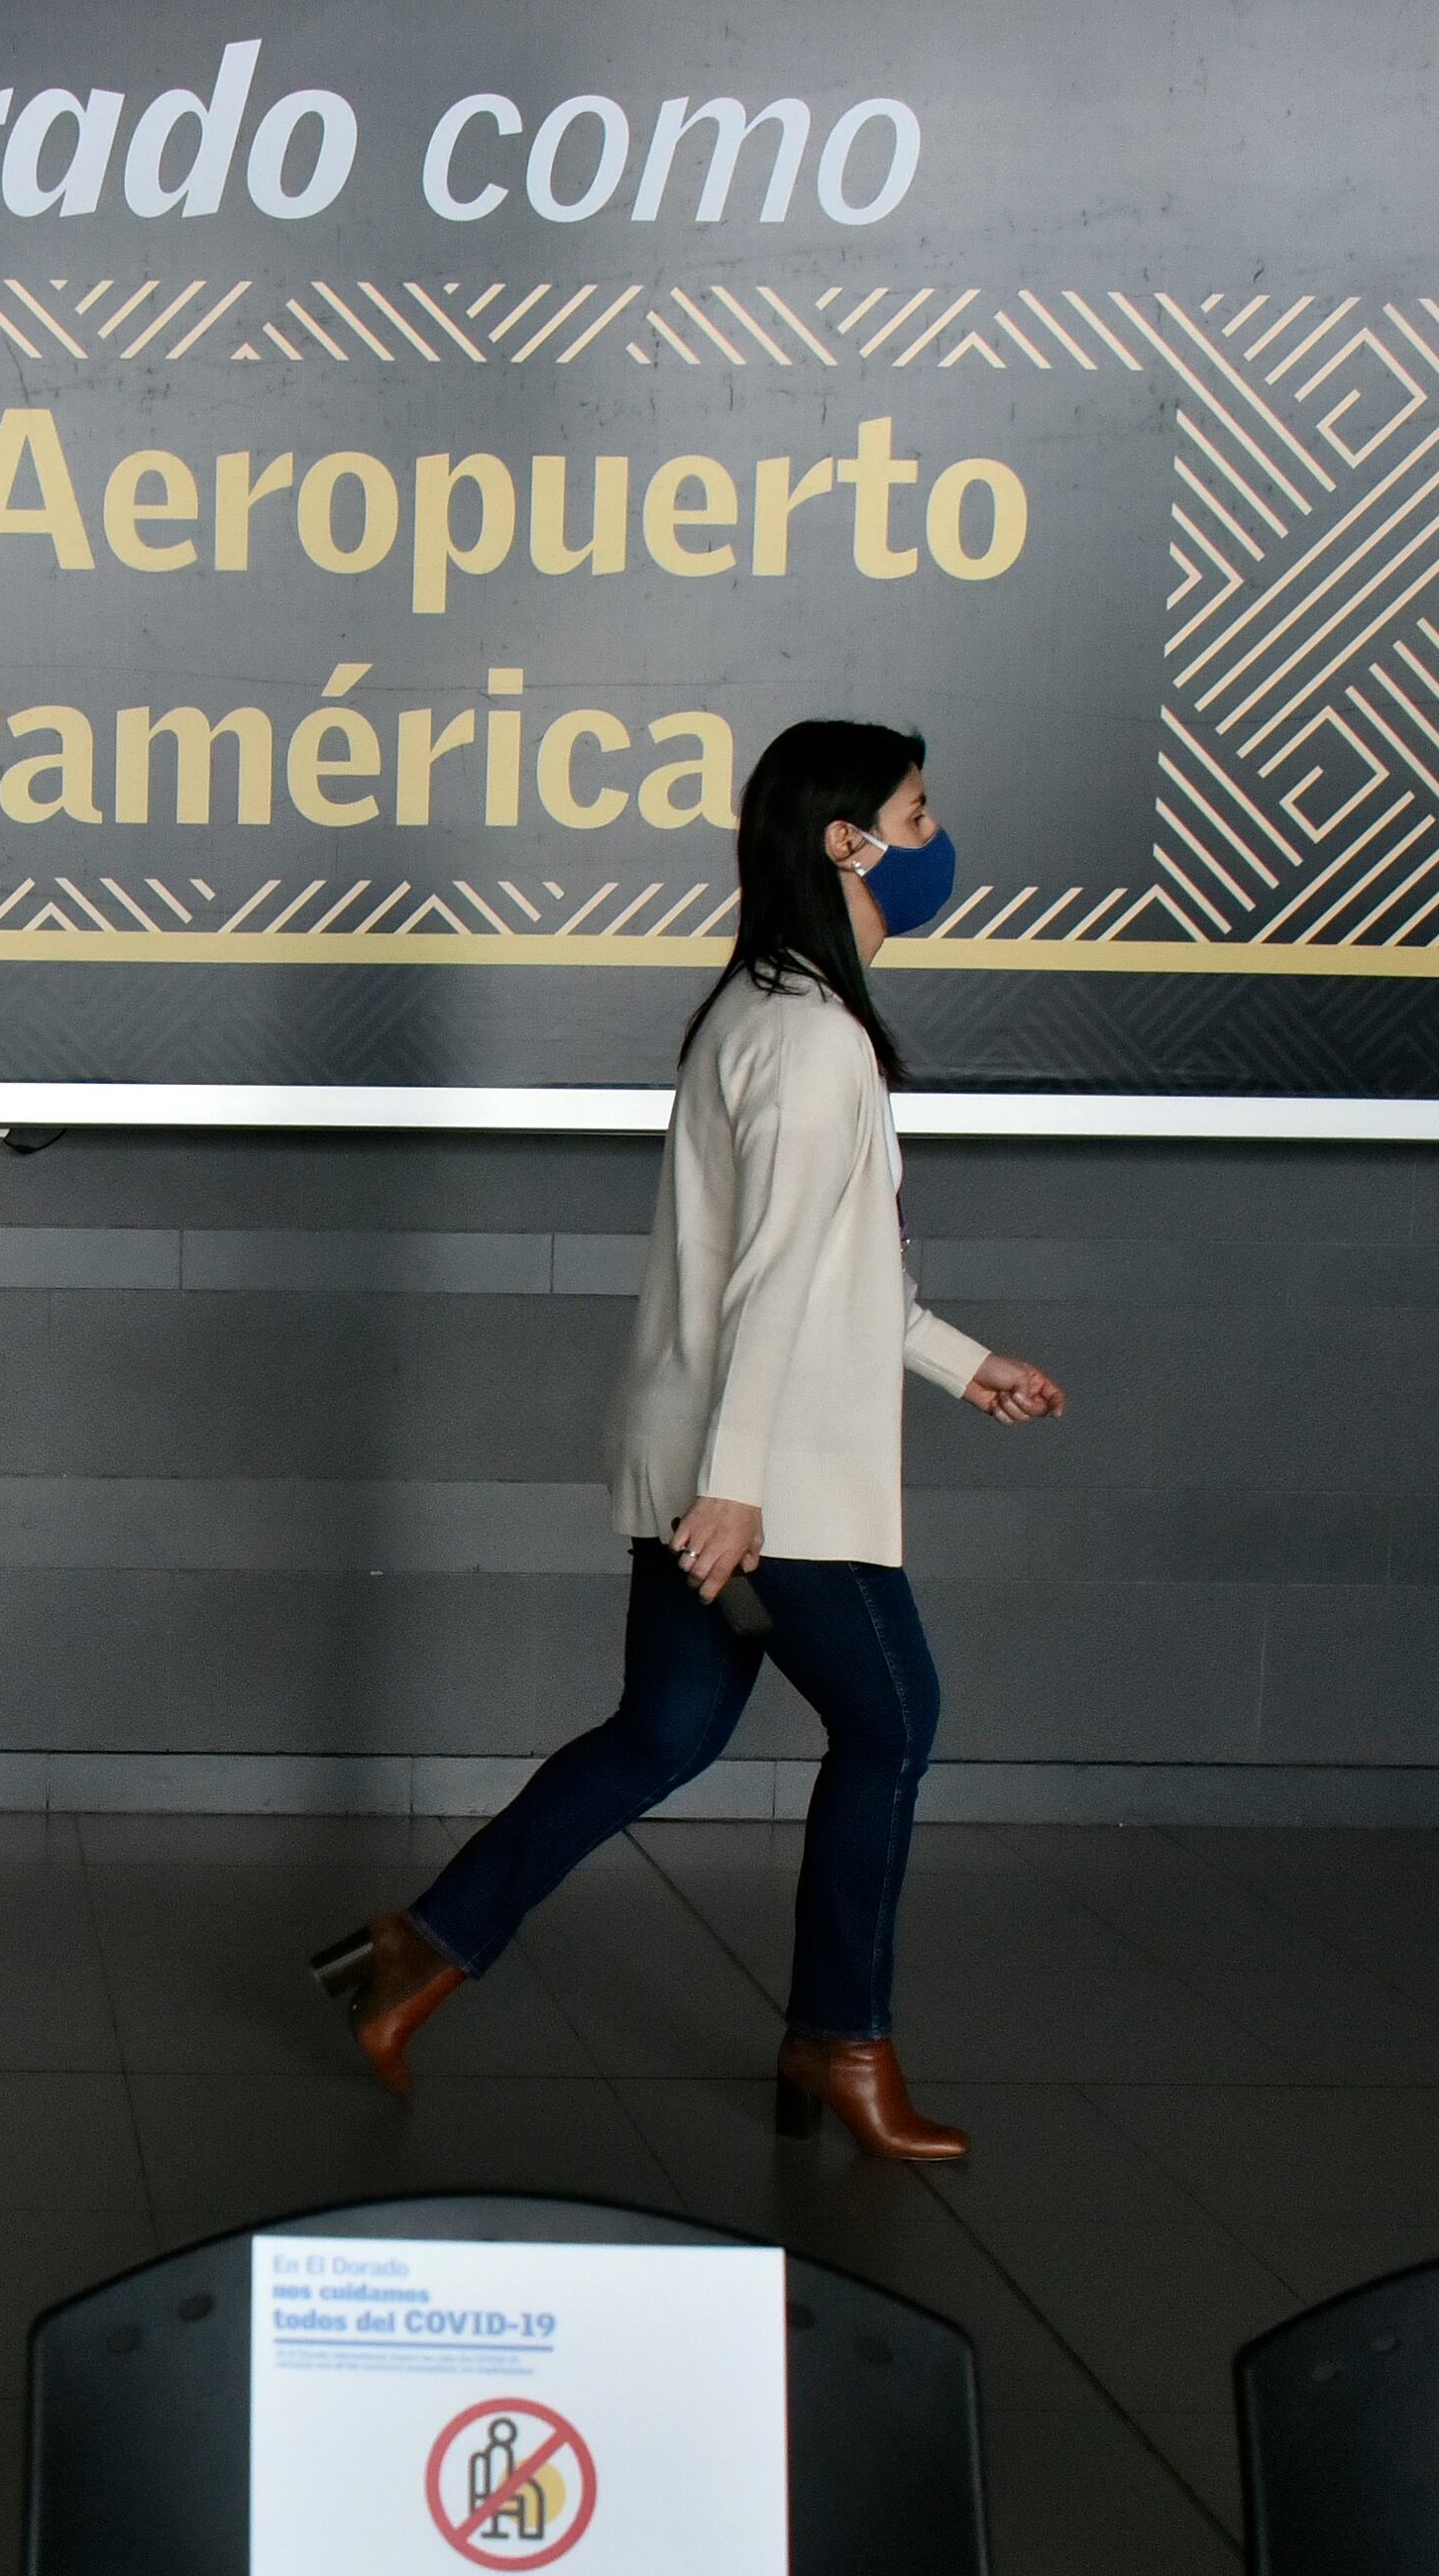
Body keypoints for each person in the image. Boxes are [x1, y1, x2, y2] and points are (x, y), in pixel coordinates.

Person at [312, 720, 1065, 2158]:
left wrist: (967, 1369)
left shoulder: (759, 1009)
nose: (935, 842)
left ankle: (413, 1954)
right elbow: (772, 1279)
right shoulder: (814, 1038)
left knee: (660, 1735)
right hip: (771, 1486)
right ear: (847, 841)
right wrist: (737, 1492)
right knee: (893, 1723)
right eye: (916, 817)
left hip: (712, 1464)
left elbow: (834, 1276)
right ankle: (840, 2042)